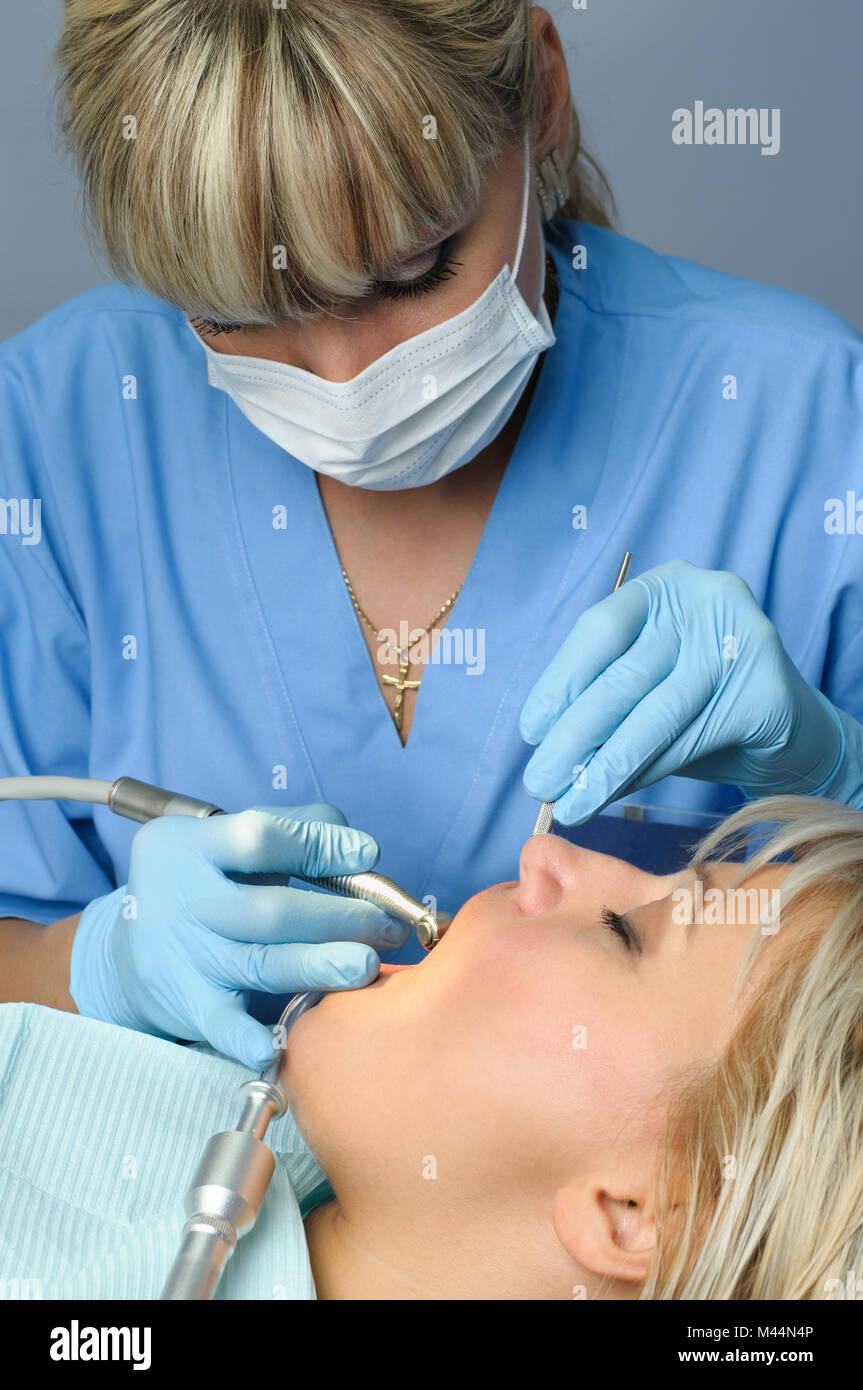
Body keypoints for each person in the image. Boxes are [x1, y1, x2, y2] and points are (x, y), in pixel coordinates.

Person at [2, 2, 862, 1070]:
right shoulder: (57, 433)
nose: (341, 378)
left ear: (539, 96)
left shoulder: (801, 426)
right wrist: (91, 966)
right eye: (233, 313)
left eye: (409, 274)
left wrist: (834, 774)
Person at [1, 794, 860, 1300]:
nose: (544, 855)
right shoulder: (201, 1114)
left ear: (631, 1215)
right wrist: (62, 966)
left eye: (621, 932)